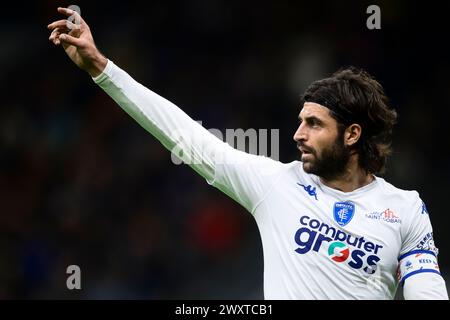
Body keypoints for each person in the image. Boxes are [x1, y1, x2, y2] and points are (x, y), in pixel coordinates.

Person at [48, 7, 448, 299]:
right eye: (300, 121)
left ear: (352, 134)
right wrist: (102, 69)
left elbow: (427, 291)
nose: (298, 135)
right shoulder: (275, 185)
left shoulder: (406, 210)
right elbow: (184, 136)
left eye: (314, 124)